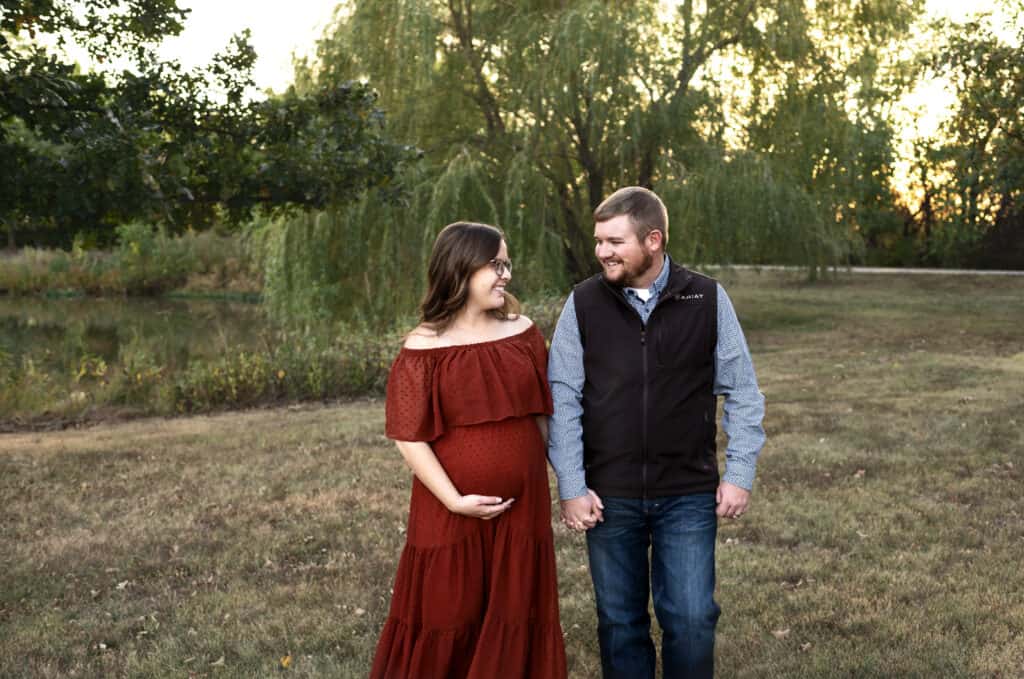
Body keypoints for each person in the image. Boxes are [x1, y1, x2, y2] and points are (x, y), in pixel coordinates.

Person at [547, 187, 766, 679]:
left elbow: (743, 391)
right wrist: (572, 486)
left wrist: (740, 472)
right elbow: (562, 399)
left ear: (653, 240)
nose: (602, 251)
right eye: (599, 240)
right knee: (620, 623)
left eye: (614, 241)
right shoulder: (582, 303)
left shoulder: (707, 298)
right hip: (609, 495)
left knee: (690, 620)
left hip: (687, 492)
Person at [371, 222, 567, 679]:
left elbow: (542, 417)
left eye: (506, 263)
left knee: (517, 608)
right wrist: (454, 501)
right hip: (449, 508)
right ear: (459, 268)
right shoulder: (423, 346)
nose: (505, 275)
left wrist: (569, 482)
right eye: (494, 264)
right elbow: (409, 435)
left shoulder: (524, 333)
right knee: (448, 611)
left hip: (524, 509)